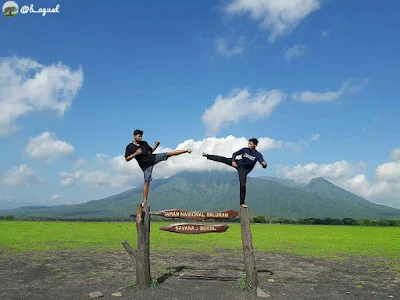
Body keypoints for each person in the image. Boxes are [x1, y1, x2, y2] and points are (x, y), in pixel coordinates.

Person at [125, 129, 192, 206]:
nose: (141, 138)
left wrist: (156, 145)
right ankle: (145, 201)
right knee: (147, 182)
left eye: (141, 136)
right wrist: (136, 153)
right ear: (134, 136)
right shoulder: (129, 147)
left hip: (153, 158)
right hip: (146, 166)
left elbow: (151, 151)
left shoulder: (144, 143)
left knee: (168, 153)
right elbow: (127, 159)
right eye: (139, 136)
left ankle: (186, 150)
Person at [202, 138, 267, 207]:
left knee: (243, 185)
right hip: (238, 163)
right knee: (224, 159)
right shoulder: (245, 150)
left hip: (244, 171)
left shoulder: (258, 155)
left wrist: (264, 164)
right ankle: (207, 156)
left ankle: (242, 203)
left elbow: (262, 162)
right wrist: (233, 161)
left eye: (250, 144)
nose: (249, 145)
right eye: (248, 143)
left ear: (255, 145)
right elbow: (235, 154)